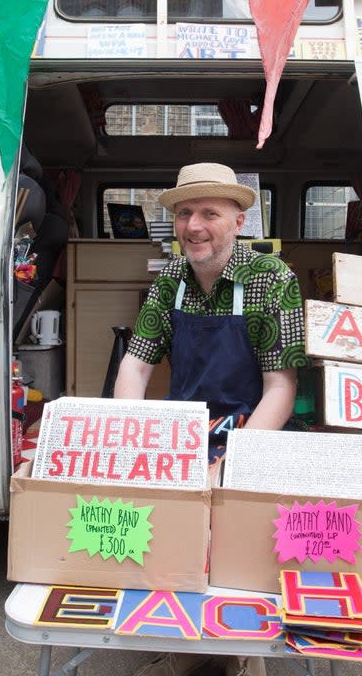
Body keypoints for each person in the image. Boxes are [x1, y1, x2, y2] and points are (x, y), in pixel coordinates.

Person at [116, 162, 308, 676]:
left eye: (209, 213)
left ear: (238, 221)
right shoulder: (170, 281)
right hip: (186, 436)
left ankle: (242, 656)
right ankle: (187, 653)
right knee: (174, 551)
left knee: (239, 561)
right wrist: (134, 438)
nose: (193, 226)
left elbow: (281, 387)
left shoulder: (273, 280)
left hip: (254, 436)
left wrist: (230, 464)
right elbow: (135, 365)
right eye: (184, 214)